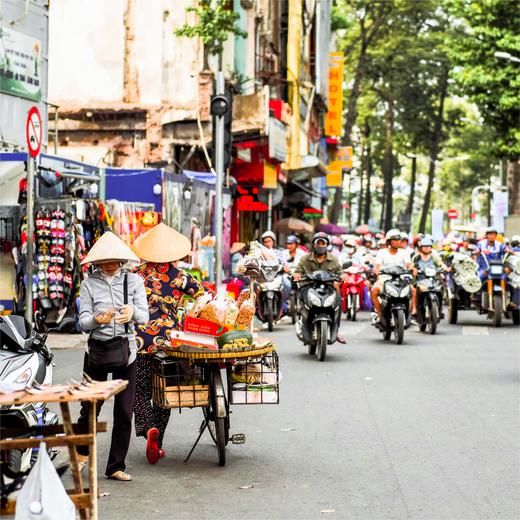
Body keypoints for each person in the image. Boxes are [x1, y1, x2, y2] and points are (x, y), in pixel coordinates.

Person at [77, 231, 149, 482]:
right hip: (96, 351)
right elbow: (82, 322)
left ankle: (116, 466)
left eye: (114, 259)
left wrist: (132, 313)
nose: (110, 264)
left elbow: (145, 316)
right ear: (96, 262)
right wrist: (96, 319)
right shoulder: (88, 284)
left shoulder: (134, 282)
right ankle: (82, 452)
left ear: (121, 260)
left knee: (124, 412)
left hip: (126, 351)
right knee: (90, 408)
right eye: (104, 260)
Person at [132, 223, 206, 465]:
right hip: (168, 342)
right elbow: (204, 296)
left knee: (140, 389)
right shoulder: (179, 276)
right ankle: (158, 440)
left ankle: (147, 428)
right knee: (165, 392)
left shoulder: (134, 274)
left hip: (140, 340)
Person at [293, 232, 345, 342]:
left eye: (323, 243)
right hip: (308, 287)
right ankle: (303, 325)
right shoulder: (304, 259)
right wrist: (296, 275)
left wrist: (344, 276)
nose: (320, 246)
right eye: (318, 243)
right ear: (314, 244)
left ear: (327, 245)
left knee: (338, 302)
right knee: (303, 301)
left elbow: (340, 272)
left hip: (328, 287)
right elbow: (297, 271)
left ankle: (336, 330)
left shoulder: (334, 259)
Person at [371, 229, 413, 324]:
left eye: (399, 239)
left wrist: (411, 269)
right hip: (385, 279)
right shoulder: (382, 252)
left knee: (413, 290)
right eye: (395, 239)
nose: (398, 242)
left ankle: (411, 314)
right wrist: (377, 271)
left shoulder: (404, 252)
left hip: (401, 279)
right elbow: (377, 266)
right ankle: (379, 315)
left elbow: (409, 264)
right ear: (389, 241)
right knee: (374, 291)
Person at [411, 236, 450, 312]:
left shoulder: (434, 257)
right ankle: (415, 308)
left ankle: (439, 308)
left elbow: (440, 263)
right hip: (420, 279)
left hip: (433, 280)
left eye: (428, 247)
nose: (426, 248)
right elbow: (412, 265)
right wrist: (413, 270)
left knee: (440, 289)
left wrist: (446, 268)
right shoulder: (416, 257)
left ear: (431, 247)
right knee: (415, 292)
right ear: (421, 247)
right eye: (424, 247)